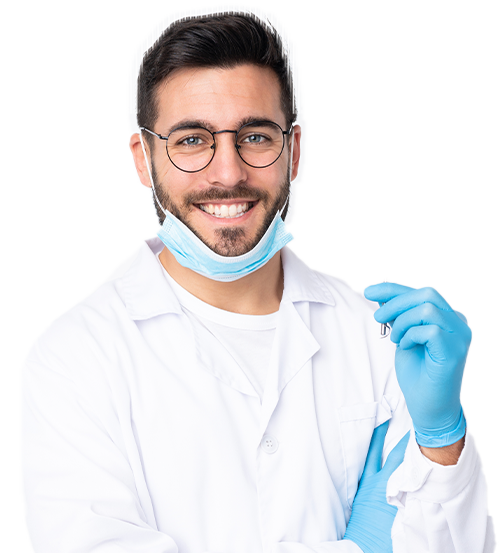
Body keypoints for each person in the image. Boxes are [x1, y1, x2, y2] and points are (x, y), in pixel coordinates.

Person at [20, 11, 495, 553]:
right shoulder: (75, 361)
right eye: (192, 140)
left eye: (255, 136)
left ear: (293, 151)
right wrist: (362, 546)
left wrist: (441, 437)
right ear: (144, 158)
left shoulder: (381, 339)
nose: (228, 173)